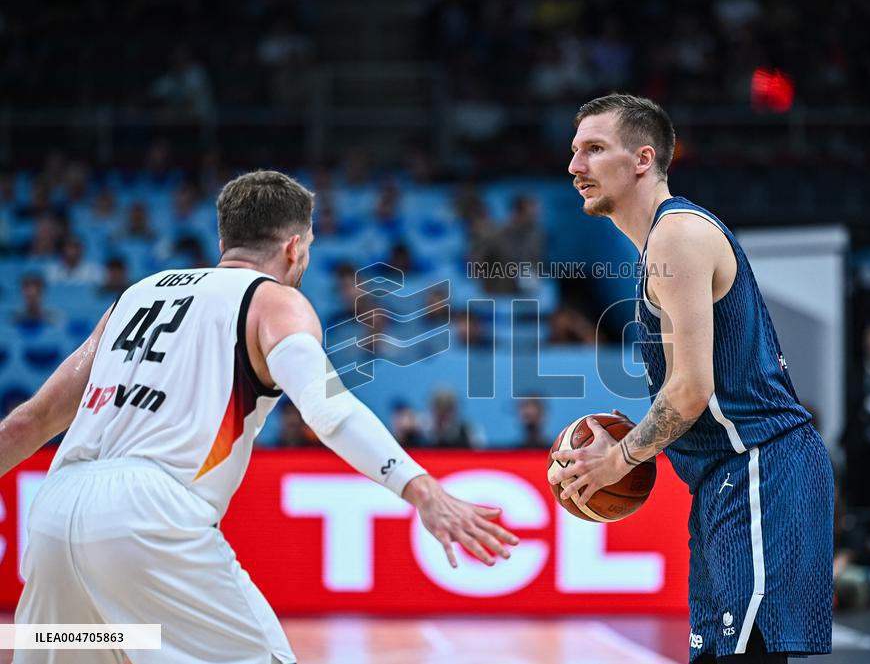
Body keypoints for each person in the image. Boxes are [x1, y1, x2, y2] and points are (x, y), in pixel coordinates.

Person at [0, 170, 518, 664]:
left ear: (224, 239)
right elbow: (328, 409)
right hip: (150, 514)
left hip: (52, 513)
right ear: (294, 247)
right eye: (308, 247)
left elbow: (32, 420)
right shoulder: (273, 301)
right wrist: (421, 489)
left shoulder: (137, 296)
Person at [550, 94, 833, 663]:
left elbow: (691, 390)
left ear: (642, 159)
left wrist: (619, 458)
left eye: (595, 149)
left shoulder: (677, 235)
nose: (576, 165)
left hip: (760, 466)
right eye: (575, 150)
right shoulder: (658, 245)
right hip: (724, 478)